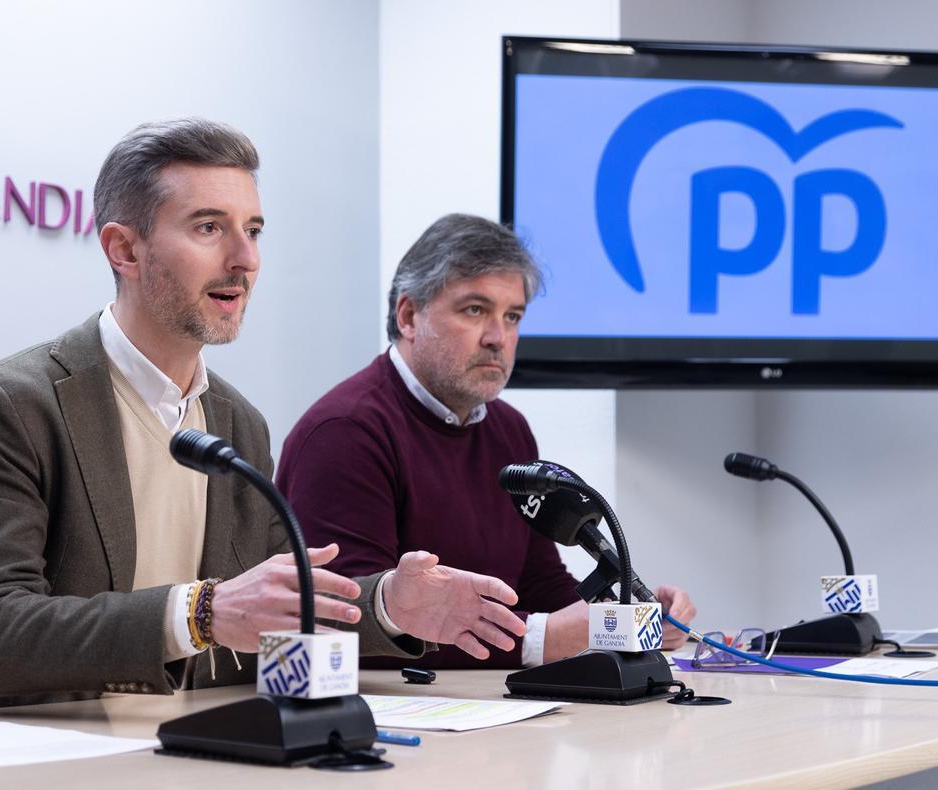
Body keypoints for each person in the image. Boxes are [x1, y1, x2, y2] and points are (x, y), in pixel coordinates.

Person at [0, 122, 525, 712]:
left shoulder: (238, 423)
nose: (245, 260)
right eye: (209, 227)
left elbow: (274, 610)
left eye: (254, 230)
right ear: (124, 249)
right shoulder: (13, 404)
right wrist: (200, 613)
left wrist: (390, 604)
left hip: (198, 751)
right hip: (37, 752)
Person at [276, 214, 696, 669]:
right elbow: (349, 623)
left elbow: (538, 585)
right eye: (475, 310)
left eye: (512, 316)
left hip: (492, 717)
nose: (499, 339)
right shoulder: (345, 432)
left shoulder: (509, 429)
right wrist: (538, 641)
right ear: (409, 316)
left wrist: (627, 617)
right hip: (398, 725)